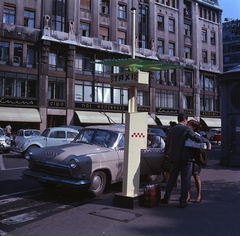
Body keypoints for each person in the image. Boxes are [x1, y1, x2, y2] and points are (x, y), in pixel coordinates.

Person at [161, 113, 211, 208]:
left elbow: (167, 144)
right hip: (186, 158)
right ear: (185, 120)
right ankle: (182, 201)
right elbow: (196, 137)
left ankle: (166, 198)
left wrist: (166, 154)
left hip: (174, 157)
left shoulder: (172, 130)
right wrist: (207, 141)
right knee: (185, 180)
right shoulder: (186, 129)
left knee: (172, 179)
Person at [186, 119, 206, 203]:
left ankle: (198, 195)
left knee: (196, 176)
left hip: (196, 159)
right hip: (187, 158)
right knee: (187, 178)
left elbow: (203, 145)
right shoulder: (186, 134)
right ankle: (188, 195)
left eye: (189, 125)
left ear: (193, 127)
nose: (187, 126)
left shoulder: (197, 135)